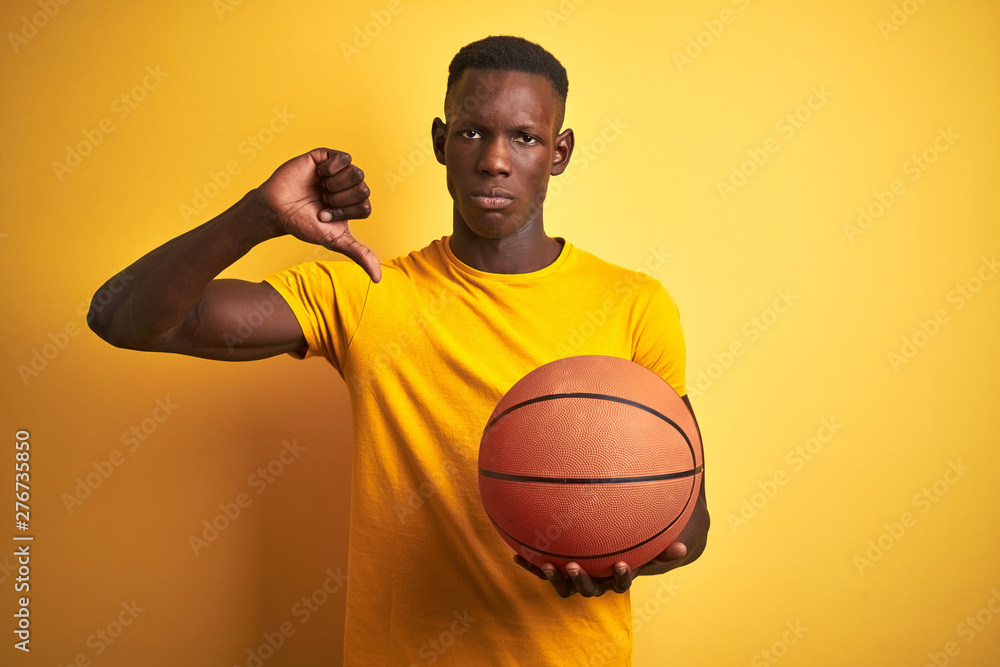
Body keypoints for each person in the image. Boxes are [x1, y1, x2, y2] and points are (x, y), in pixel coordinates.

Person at [89, 34, 709, 666]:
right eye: (472, 132)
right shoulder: (367, 295)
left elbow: (691, 521)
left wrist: (619, 550)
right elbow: (125, 318)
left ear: (560, 152)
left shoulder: (633, 304)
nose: (495, 160)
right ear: (440, 141)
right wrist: (261, 214)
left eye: (525, 137)